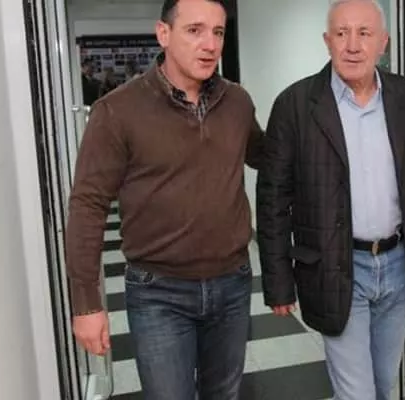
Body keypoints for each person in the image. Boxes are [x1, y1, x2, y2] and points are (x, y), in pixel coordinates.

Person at [64, 0, 263, 399]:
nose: (210, 44)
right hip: (159, 293)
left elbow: (269, 156)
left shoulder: (237, 102)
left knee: (224, 394)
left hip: (232, 283)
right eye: (195, 30)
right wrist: (86, 304)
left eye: (218, 32)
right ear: (164, 34)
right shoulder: (117, 111)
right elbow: (88, 205)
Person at [256, 1, 405, 399]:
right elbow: (272, 200)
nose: (352, 45)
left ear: (383, 42)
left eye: (364, 33)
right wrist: (278, 282)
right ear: (327, 41)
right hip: (335, 266)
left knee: (383, 383)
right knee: (357, 393)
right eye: (341, 33)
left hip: (397, 264)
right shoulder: (295, 105)